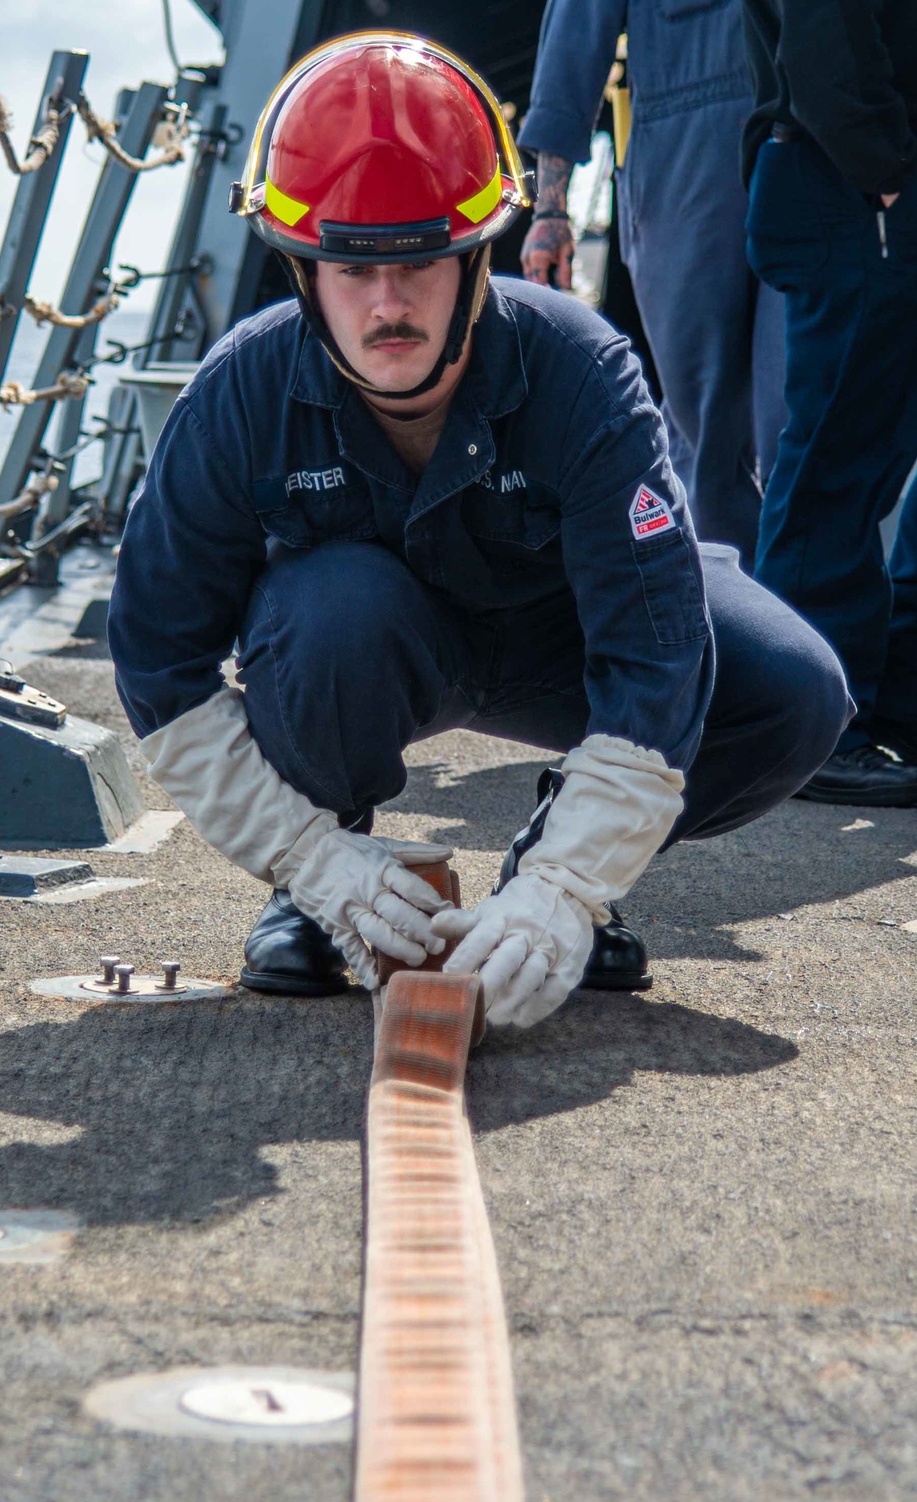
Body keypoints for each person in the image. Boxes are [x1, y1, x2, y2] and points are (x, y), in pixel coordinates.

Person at [108, 33, 849, 1030]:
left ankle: (552, 857)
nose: (387, 302)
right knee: (330, 613)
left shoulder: (581, 373)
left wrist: (566, 886)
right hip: (362, 647)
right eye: (350, 268)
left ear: (476, 255)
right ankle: (326, 890)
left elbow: (653, 649)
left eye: (419, 260)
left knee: (795, 690)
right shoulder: (238, 395)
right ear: (300, 271)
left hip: (562, 643)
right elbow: (160, 667)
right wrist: (305, 855)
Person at [517, 0, 786, 567]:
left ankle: (804, 629)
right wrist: (550, 210)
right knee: (706, 427)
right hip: (685, 154)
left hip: (807, 134)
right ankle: (725, 622)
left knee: (797, 415)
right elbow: (577, 30)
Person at [742, 0, 917, 806]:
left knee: (868, 458)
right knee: (835, 466)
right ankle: (811, 727)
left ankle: (865, 708)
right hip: (845, 184)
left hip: (852, 183)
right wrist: (885, 171)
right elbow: (826, 49)